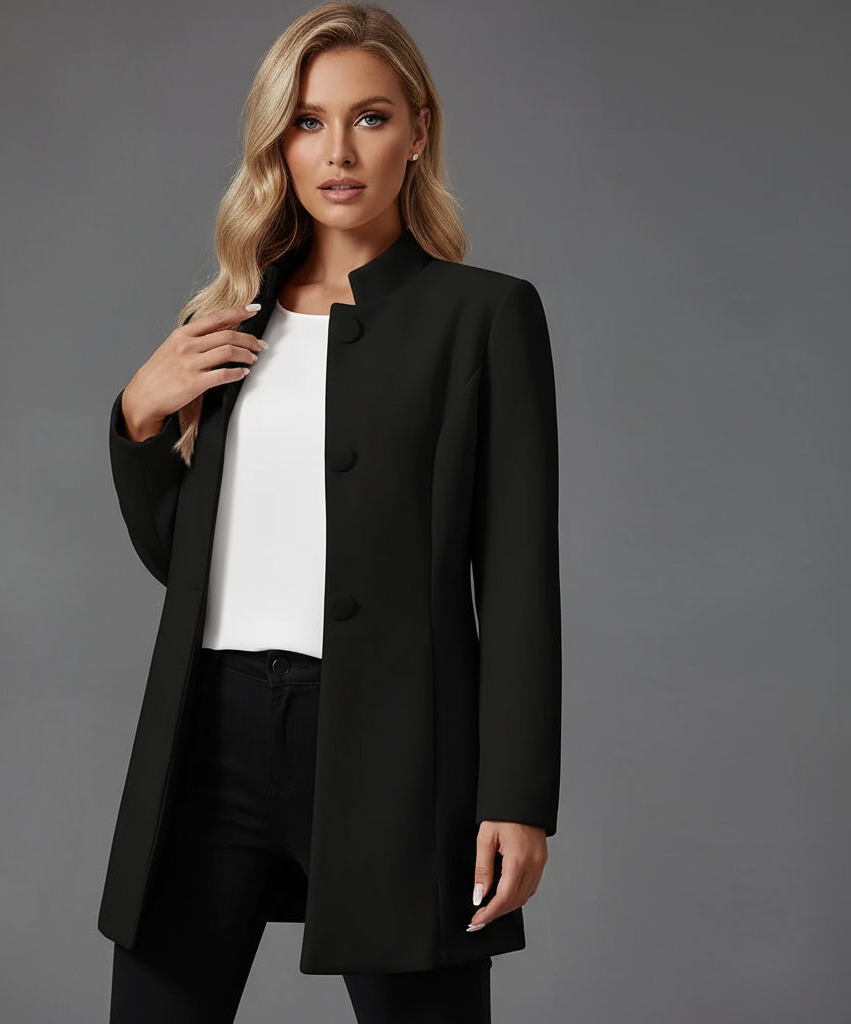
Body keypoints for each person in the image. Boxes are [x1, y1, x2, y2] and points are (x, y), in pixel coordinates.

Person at [101, 3, 562, 1022]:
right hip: (209, 737)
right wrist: (137, 419)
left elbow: (519, 577)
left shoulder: (483, 317)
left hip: (398, 746)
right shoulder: (226, 320)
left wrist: (517, 798)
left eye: (370, 117)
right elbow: (188, 561)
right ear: (279, 142)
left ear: (418, 131)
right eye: (308, 122)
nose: (338, 152)